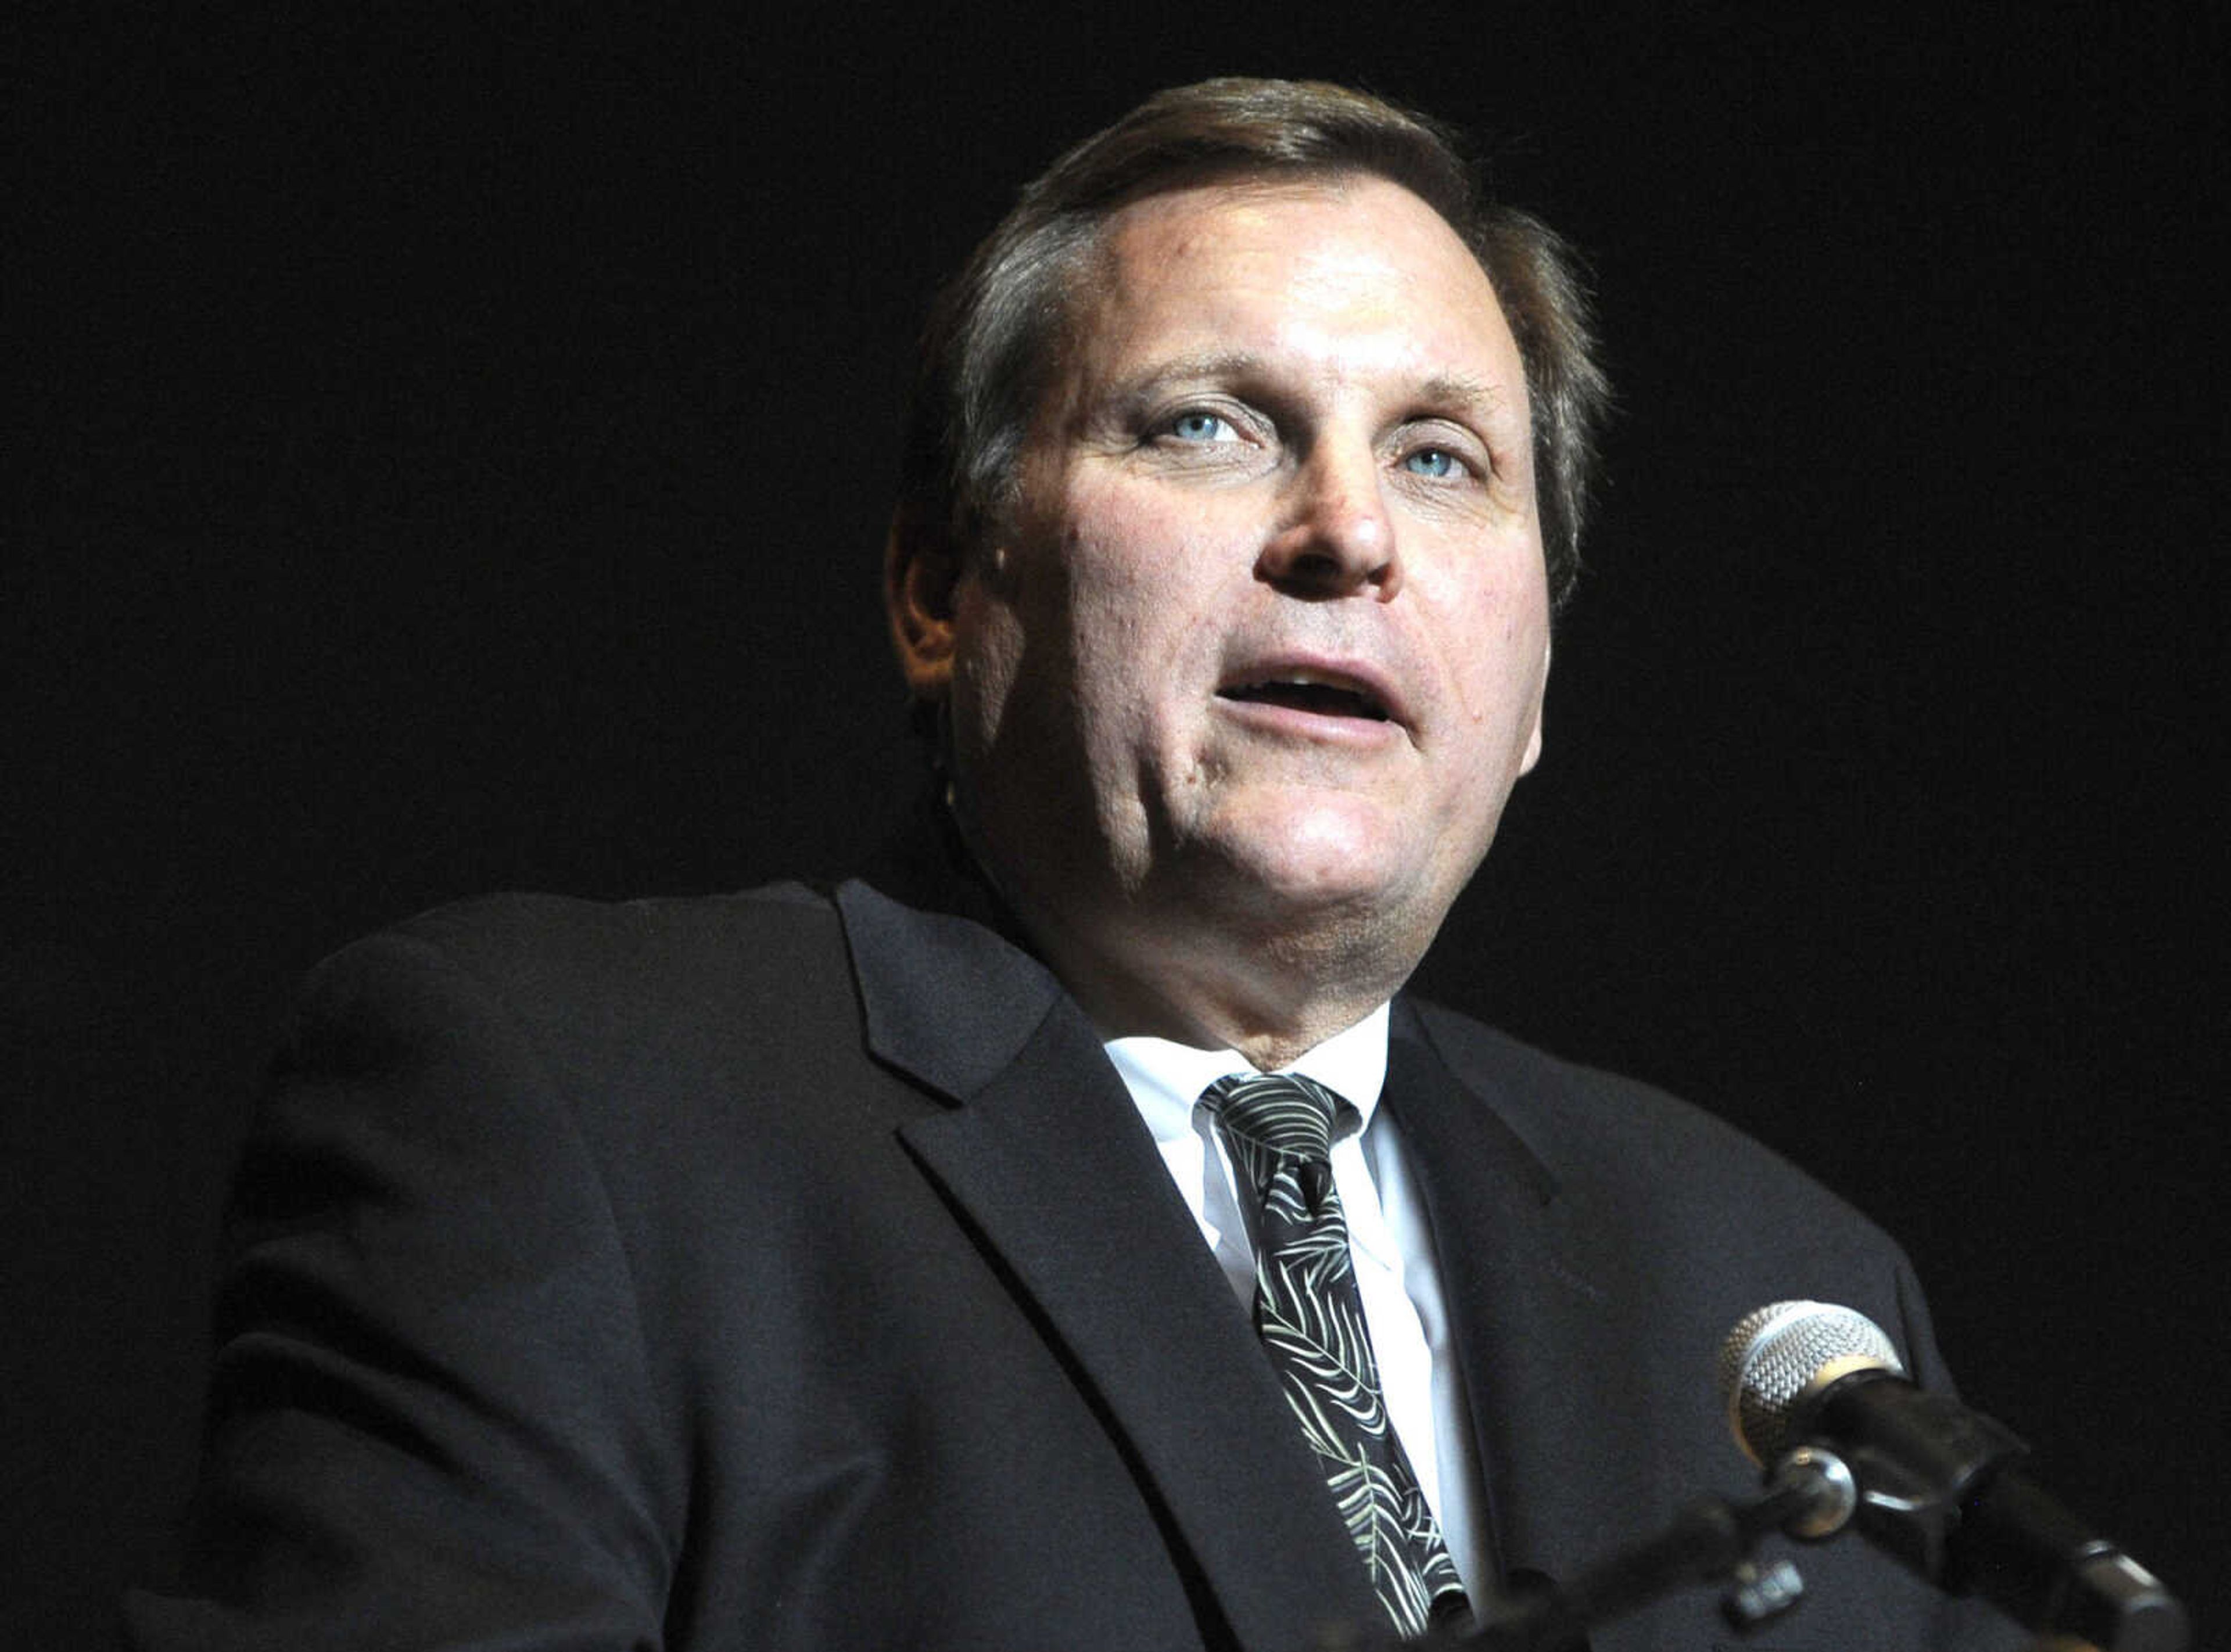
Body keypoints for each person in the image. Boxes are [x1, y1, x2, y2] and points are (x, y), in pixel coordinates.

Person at [126, 78, 2021, 1651]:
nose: (1349, 530)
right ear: (944, 593)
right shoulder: (567, 1110)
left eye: (1445, 460)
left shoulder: (1777, 1287)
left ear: (1533, 674)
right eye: (1210, 425)